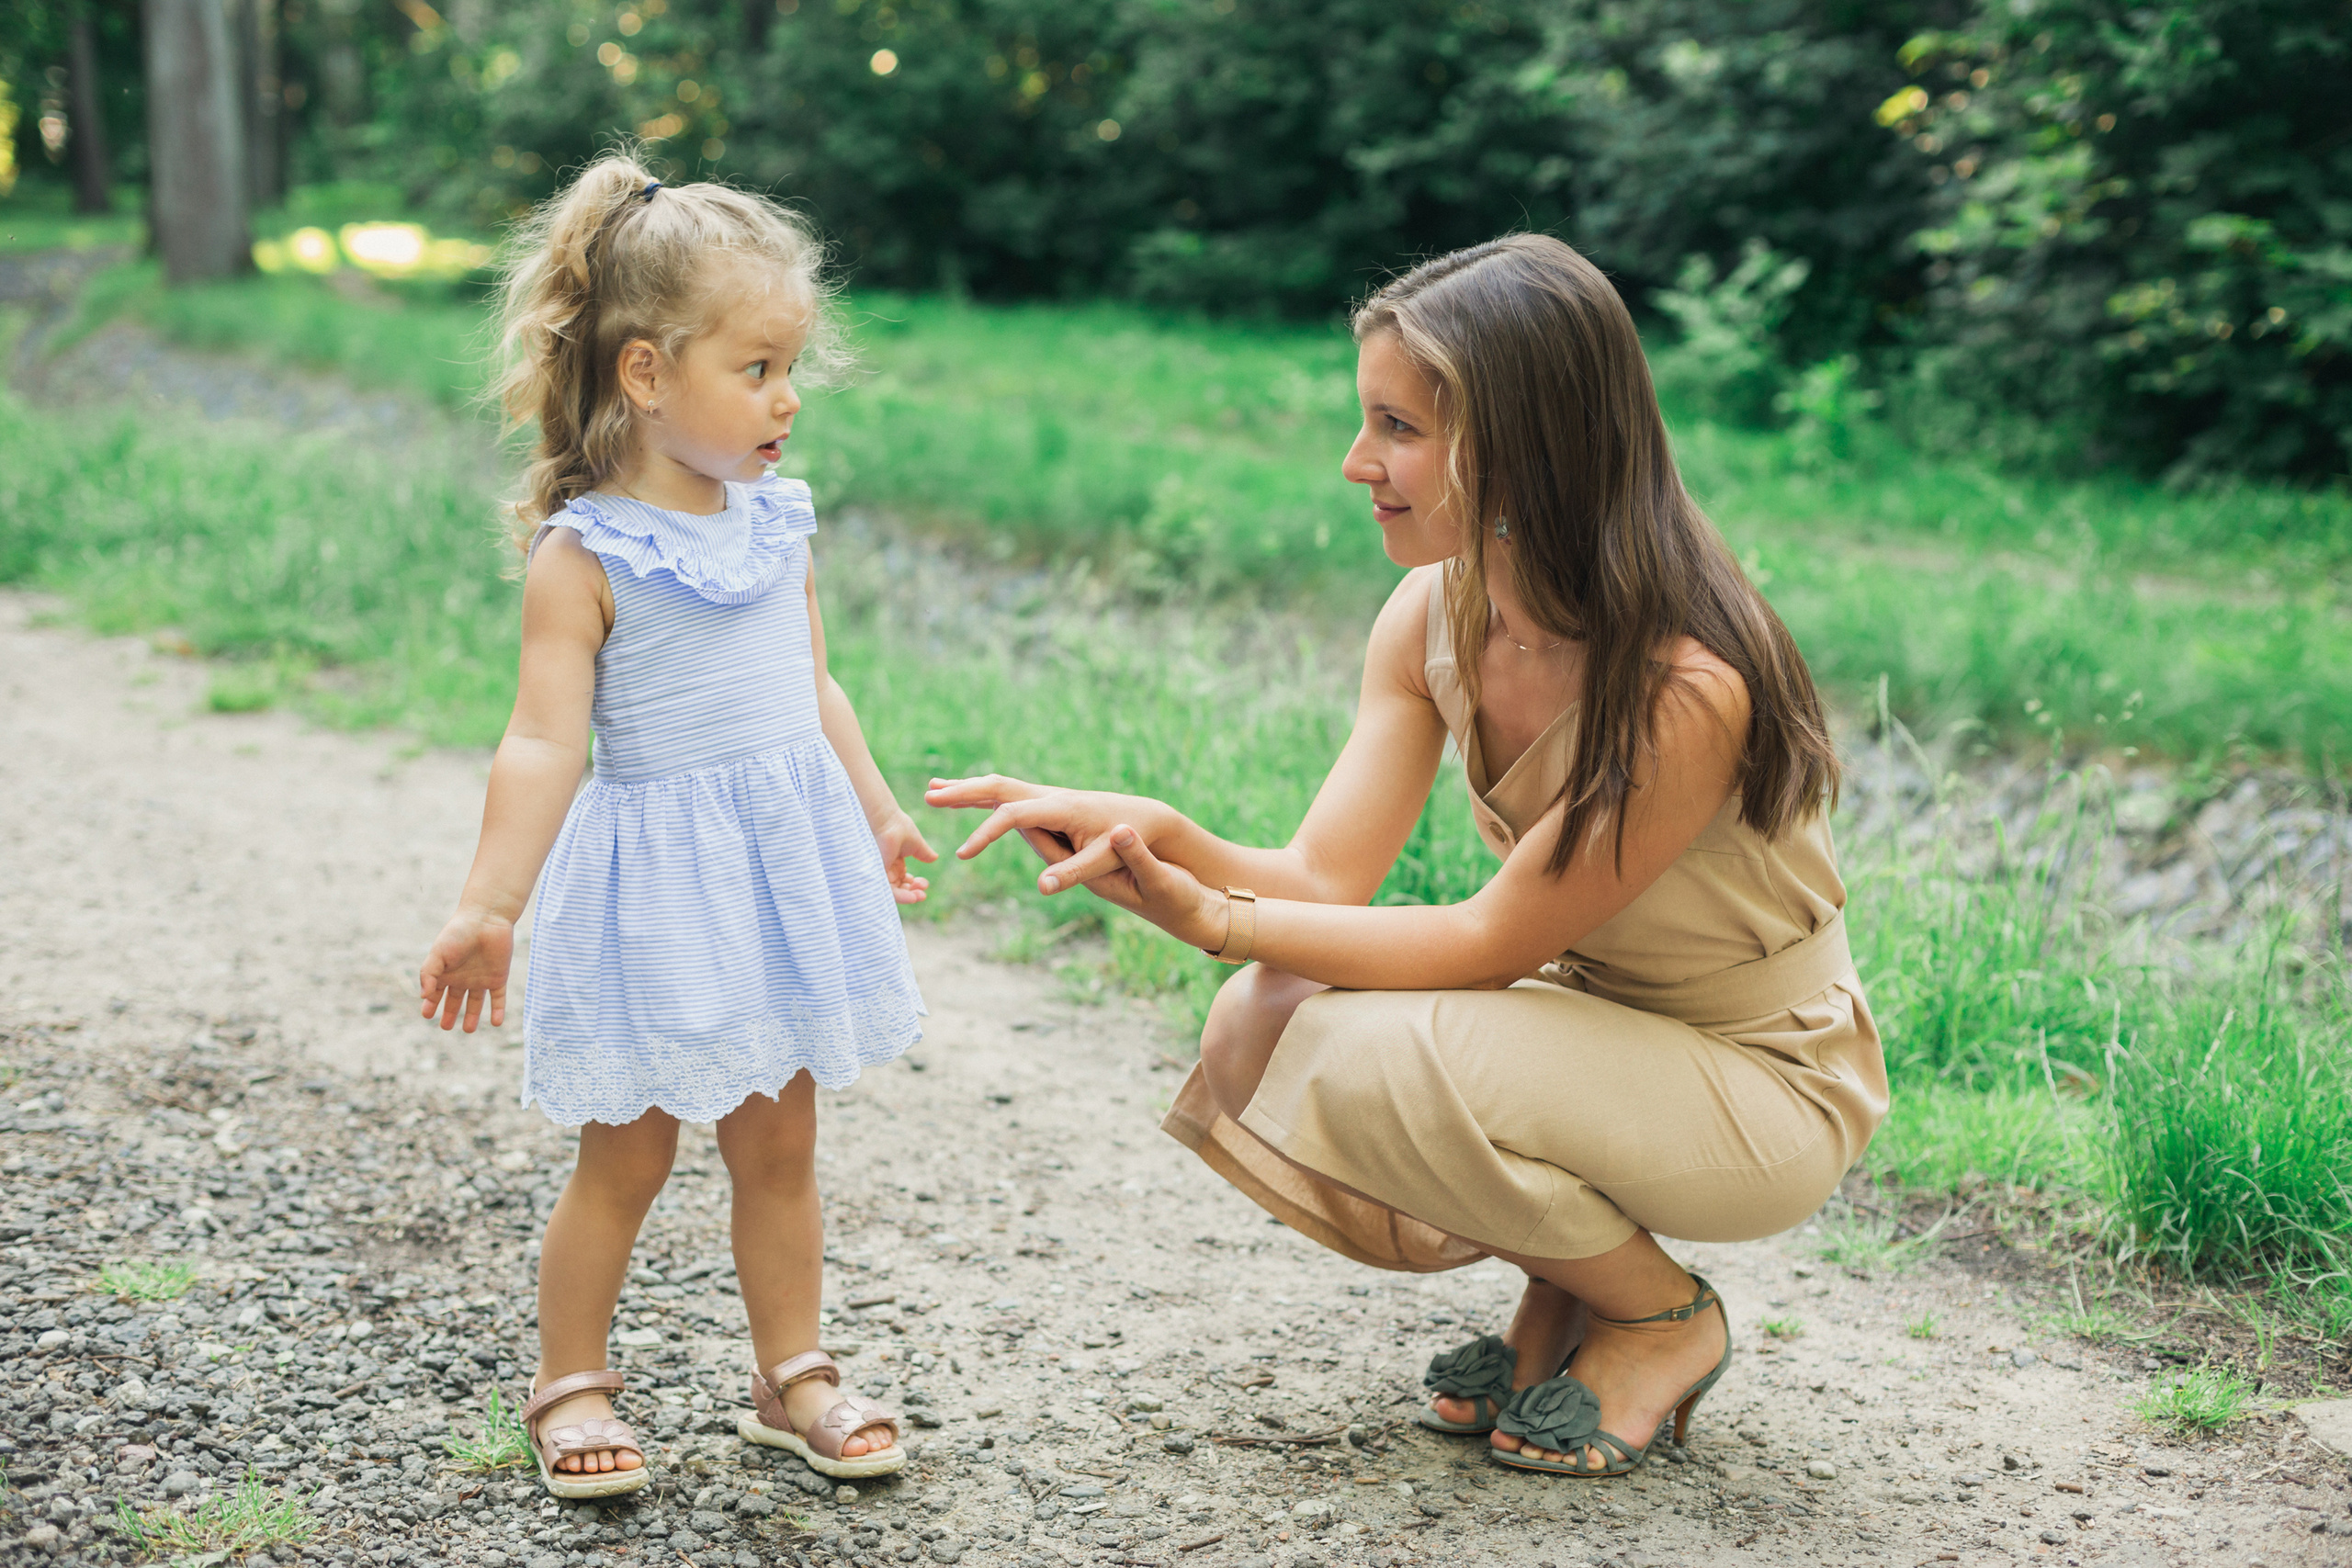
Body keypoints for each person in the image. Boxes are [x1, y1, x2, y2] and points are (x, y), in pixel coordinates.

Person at [927, 234, 1884, 1480]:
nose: (1355, 462)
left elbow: (1490, 939)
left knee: (1352, 1044)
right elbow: (1325, 876)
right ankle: (1569, 1292)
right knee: (1260, 1015)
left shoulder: (1685, 686)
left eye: (1397, 427)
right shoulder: (1438, 608)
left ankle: (1659, 1316)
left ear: (1523, 444)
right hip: (1588, 1029)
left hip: (1762, 1082)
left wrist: (1214, 916)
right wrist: (1156, 837)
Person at [416, 154, 932, 1499]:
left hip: (779, 878)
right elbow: (542, 742)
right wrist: (489, 904)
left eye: (792, 365)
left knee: (781, 1143)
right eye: (758, 367)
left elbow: (814, 685)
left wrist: (875, 813)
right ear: (646, 375)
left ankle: (792, 1372)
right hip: (659, 892)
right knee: (628, 1153)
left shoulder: (779, 525)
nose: (788, 395)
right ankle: (570, 1380)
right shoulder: (584, 554)